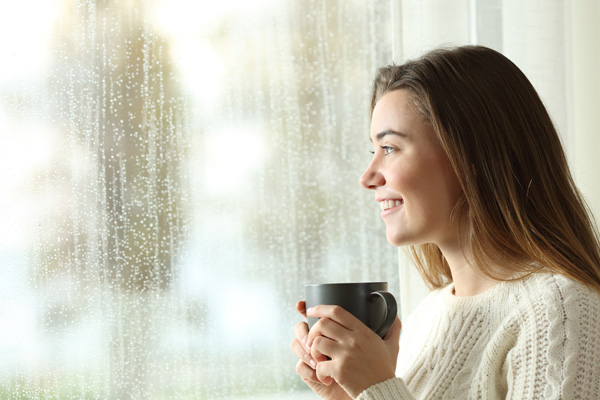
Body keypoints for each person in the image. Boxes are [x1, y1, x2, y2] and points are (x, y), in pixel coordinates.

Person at [290, 45, 600, 399]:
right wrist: (347, 393)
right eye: (372, 151)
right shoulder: (429, 316)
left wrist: (377, 389)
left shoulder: (560, 310)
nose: (368, 176)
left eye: (389, 148)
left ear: (469, 154)